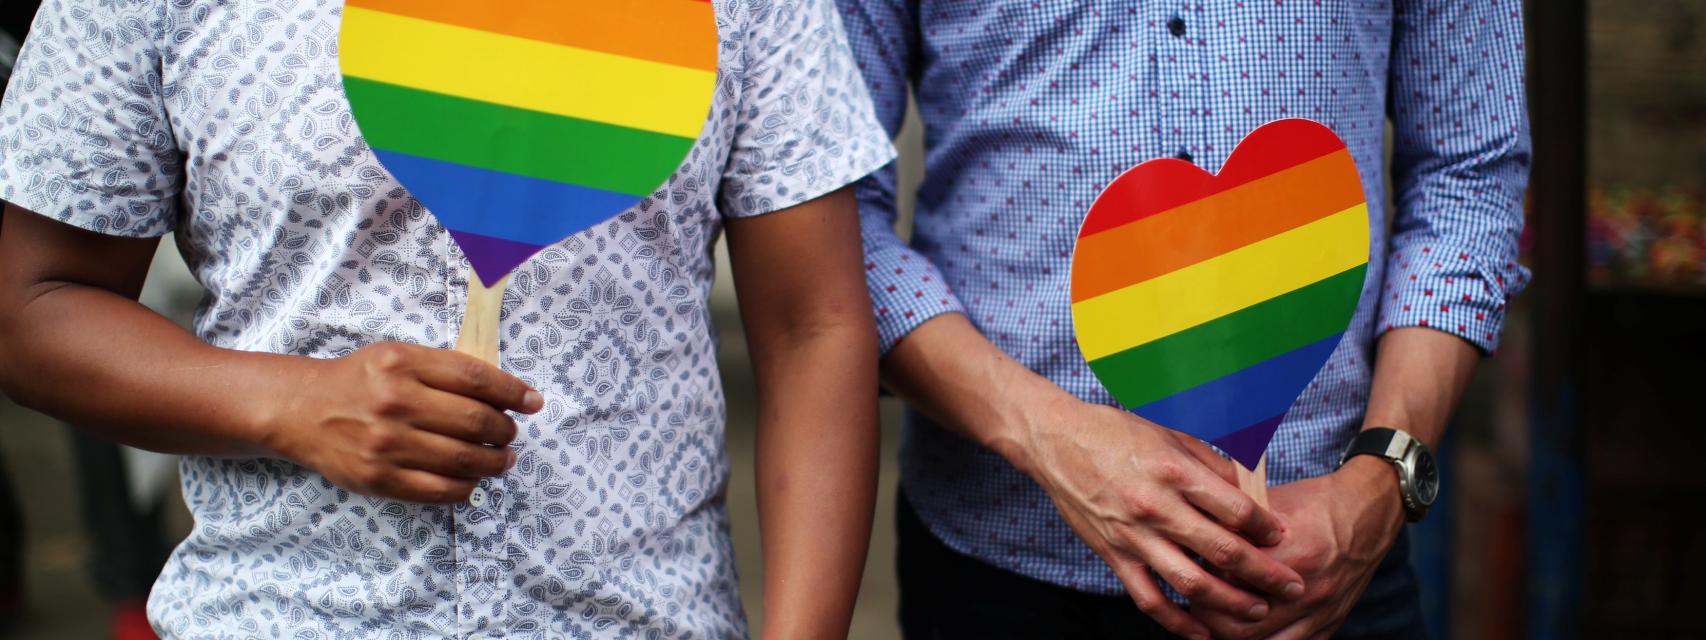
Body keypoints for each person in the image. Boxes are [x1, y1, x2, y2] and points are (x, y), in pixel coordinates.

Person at [0, 0, 893, 637]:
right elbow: (30, 307)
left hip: (649, 616)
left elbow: (811, 327)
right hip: (276, 613)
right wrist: (289, 403)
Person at [838, 1, 1530, 638]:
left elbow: (1469, 175)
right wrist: (1043, 433)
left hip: (1329, 569)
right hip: (1001, 566)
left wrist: (1382, 477)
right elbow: (828, 218)